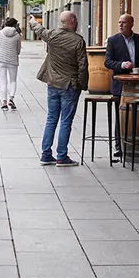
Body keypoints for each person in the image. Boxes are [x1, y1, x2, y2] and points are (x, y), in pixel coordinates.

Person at [29, 11, 88, 167]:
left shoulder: (52, 35)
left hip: (53, 84)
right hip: (69, 85)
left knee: (51, 119)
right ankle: (61, 156)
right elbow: (83, 67)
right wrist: (83, 85)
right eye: (75, 21)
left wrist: (33, 21)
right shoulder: (78, 41)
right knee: (65, 122)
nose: (76, 23)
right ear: (72, 22)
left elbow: (38, 29)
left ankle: (46, 154)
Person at [104, 14, 139, 158]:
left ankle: (137, 144)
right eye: (119, 22)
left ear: (131, 24)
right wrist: (122, 65)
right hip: (120, 86)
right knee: (120, 117)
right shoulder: (113, 40)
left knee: (138, 116)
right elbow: (107, 62)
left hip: (138, 86)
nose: (120, 25)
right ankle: (119, 146)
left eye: (123, 22)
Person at [0, 18, 22, 111]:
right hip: (13, 60)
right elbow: (18, 50)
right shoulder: (17, 35)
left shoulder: (0, 33)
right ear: (15, 25)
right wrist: (15, 54)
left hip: (1, 60)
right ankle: (11, 98)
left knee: (3, 82)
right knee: (13, 81)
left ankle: (4, 103)